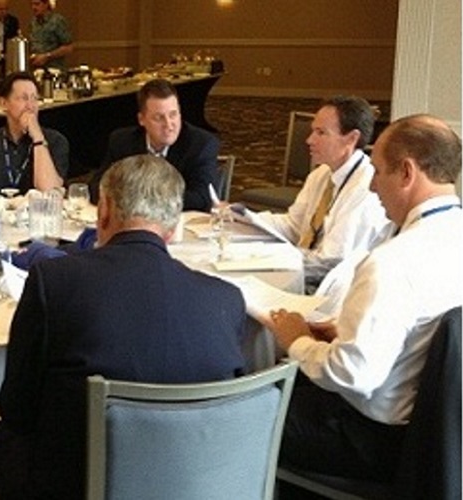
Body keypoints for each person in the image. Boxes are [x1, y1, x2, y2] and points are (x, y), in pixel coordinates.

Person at [0, 155, 248, 500]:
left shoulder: (54, 281)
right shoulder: (226, 299)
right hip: (191, 485)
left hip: (76, 486)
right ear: (171, 227)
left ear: (103, 210)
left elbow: (17, 413)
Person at [263, 115, 463, 483]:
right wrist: (345, 334)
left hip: (371, 439)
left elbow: (352, 375)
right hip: (440, 435)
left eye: (378, 171)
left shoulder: (393, 262)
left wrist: (297, 340)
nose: (372, 186)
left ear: (407, 172)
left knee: (242, 409)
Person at [246, 96, 390, 292]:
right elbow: (293, 226)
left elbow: (330, 263)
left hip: (331, 291)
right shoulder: (321, 174)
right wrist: (244, 218)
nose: (309, 140)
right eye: (313, 131)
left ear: (351, 139)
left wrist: (263, 259)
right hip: (304, 273)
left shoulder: (366, 188)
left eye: (321, 133)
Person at [99, 79, 222, 212]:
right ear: (142, 119)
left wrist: (141, 200)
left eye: (173, 115)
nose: (169, 125)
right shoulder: (122, 141)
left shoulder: (201, 144)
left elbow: (202, 198)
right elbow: (98, 185)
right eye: (159, 118)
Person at [0, 72, 67, 199]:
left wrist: (38, 138)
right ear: (3, 103)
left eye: (35, 98)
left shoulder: (56, 141)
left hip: (38, 210)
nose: (30, 106)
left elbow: (49, 192)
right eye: (23, 98)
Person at [26, 0, 72, 70]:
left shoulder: (57, 21)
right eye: (32, 4)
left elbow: (68, 47)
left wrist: (47, 56)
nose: (34, 7)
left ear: (46, 4)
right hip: (36, 69)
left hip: (54, 69)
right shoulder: (33, 23)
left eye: (37, 4)